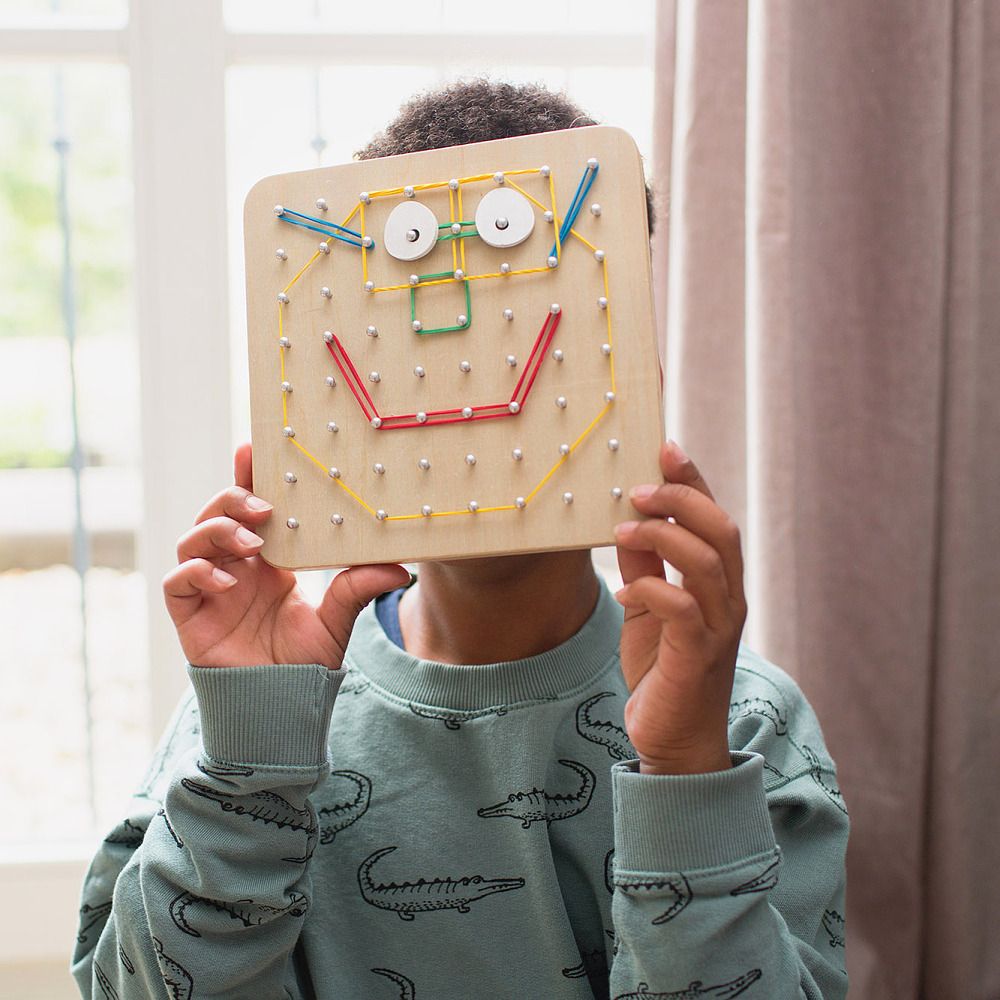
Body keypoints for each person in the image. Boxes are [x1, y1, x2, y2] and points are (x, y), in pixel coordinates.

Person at [72, 81, 848, 1000]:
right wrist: (247, 772)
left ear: (631, 374)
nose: (457, 346)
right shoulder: (253, 714)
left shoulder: (739, 723)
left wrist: (684, 769)